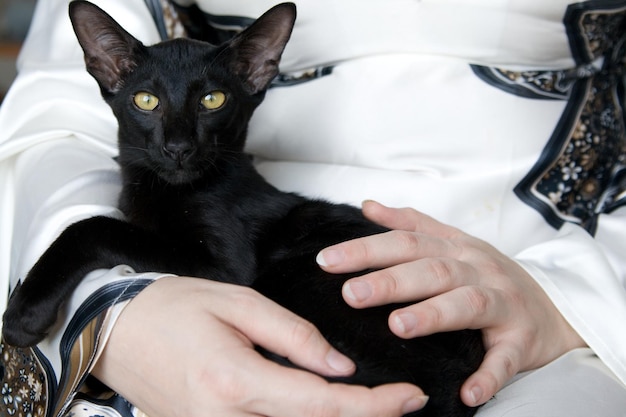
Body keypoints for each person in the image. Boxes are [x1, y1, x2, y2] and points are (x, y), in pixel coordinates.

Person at [1, 0, 625, 416]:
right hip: (200, 310)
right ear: (108, 73)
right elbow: (51, 122)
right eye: (149, 105)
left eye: (209, 102)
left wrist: (571, 300)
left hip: (551, 296)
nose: (178, 134)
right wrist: (114, 317)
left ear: (257, 71)